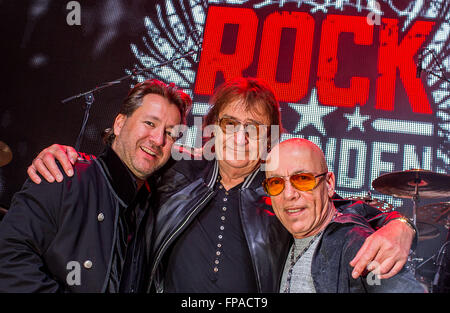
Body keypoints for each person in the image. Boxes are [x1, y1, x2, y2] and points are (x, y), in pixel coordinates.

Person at [26, 77, 417, 293]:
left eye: (254, 128)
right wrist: (73, 158)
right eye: (231, 124)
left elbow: (334, 204)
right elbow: (127, 162)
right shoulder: (175, 172)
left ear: (269, 138)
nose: (241, 137)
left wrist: (399, 224)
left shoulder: (278, 189)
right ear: (213, 128)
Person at [0, 79, 192, 292]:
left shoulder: (151, 208)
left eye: (170, 133)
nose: (158, 139)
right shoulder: (64, 174)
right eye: (150, 123)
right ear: (119, 124)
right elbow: (8, 257)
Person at [264, 138, 425, 292]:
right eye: (276, 183)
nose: (288, 195)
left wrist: (404, 225)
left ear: (329, 184)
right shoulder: (278, 239)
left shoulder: (356, 243)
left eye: (303, 179)